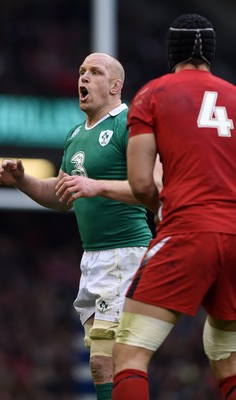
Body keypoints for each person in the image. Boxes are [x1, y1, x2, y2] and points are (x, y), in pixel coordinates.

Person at [0, 52, 154, 400]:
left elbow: (152, 190)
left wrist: (97, 186)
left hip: (125, 253)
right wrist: (23, 180)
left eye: (95, 72)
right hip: (94, 259)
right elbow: (61, 194)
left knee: (103, 361)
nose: (84, 78)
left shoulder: (129, 124)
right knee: (107, 368)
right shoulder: (75, 135)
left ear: (115, 86)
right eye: (81, 71)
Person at [112, 13, 236, 400]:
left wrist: (160, 206)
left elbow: (142, 182)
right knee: (227, 356)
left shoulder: (153, 95)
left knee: (130, 351)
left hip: (188, 230)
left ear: (171, 52)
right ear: (211, 54)